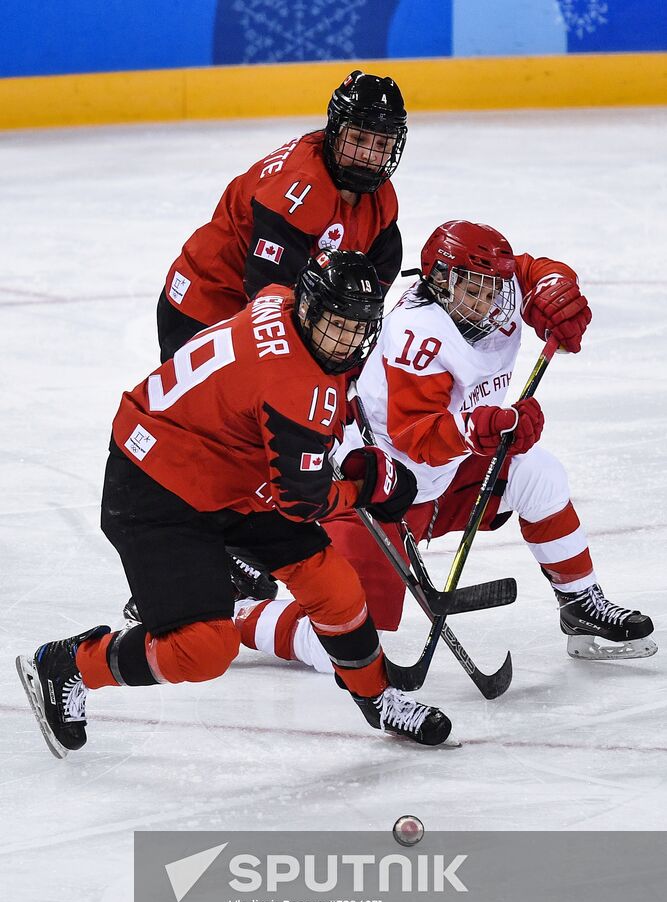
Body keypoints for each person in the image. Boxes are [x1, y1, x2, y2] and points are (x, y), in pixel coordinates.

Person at [16, 251, 455, 760]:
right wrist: (366, 490)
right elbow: (303, 501)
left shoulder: (281, 301)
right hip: (156, 485)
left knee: (331, 582)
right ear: (311, 309)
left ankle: (377, 697)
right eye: (336, 325)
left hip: (225, 470)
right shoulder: (294, 385)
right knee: (203, 650)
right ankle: (69, 664)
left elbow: (287, 412)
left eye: (358, 327)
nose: (347, 341)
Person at [233, 221, 656, 673]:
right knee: (340, 648)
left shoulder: (493, 292)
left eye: (494, 289)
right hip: (375, 491)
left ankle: (581, 607)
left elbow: (532, 272)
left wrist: (556, 290)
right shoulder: (418, 335)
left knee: (538, 474)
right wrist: (487, 427)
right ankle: (233, 613)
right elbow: (418, 438)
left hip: (447, 478)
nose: (489, 301)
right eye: (474, 291)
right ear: (440, 281)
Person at [157, 69, 407, 363]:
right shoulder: (296, 188)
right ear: (336, 130)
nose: (369, 155)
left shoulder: (381, 199)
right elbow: (268, 291)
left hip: (254, 306)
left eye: (381, 144)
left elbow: (379, 270)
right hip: (206, 305)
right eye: (359, 138)